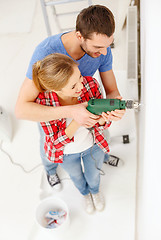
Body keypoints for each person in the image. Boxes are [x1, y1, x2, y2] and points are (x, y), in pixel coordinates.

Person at [15, 5, 125, 190]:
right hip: (52, 113)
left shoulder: (102, 49)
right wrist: (71, 112)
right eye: (98, 47)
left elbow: (112, 90)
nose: (104, 53)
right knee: (49, 147)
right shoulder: (46, 53)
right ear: (79, 36)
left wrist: (116, 107)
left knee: (96, 135)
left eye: (108, 45)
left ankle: (102, 156)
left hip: (82, 108)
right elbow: (21, 109)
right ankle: (50, 171)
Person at [33, 53, 113, 213]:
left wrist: (104, 119)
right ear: (55, 89)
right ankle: (84, 194)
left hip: (93, 145)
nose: (81, 87)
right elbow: (55, 142)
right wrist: (77, 119)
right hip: (67, 154)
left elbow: (104, 124)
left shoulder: (90, 84)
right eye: (73, 87)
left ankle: (95, 192)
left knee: (94, 175)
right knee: (77, 177)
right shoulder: (44, 104)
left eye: (80, 77)